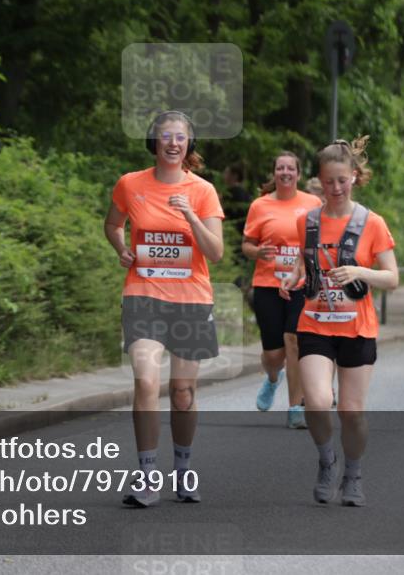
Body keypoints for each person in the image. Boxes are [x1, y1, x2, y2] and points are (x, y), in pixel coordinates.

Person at [104, 110, 224, 507]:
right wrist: (122, 248)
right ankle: (147, 474)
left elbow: (216, 253)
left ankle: (184, 470)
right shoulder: (130, 184)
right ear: (154, 142)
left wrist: (189, 214)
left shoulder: (203, 191)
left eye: (180, 137)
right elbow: (113, 224)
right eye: (166, 136)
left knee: (182, 392)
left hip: (191, 301)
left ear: (189, 144)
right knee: (145, 382)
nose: (173, 143)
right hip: (144, 296)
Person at [280, 137, 398, 507]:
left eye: (342, 181)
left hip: (357, 328)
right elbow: (304, 263)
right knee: (317, 401)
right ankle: (327, 460)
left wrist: (360, 271)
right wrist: (293, 276)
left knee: (351, 411)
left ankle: (354, 473)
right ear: (319, 179)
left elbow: (392, 277)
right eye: (328, 181)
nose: (335, 188)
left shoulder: (372, 223)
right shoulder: (307, 221)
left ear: (355, 177)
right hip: (315, 323)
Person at [242, 152, 322, 429]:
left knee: (294, 340)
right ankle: (273, 377)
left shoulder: (312, 203)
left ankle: (295, 407)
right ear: (274, 173)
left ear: (298, 173)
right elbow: (246, 245)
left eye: (290, 168)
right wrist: (257, 252)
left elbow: (321, 240)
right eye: (280, 168)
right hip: (268, 284)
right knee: (274, 355)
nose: (285, 172)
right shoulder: (260, 205)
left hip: (301, 284)